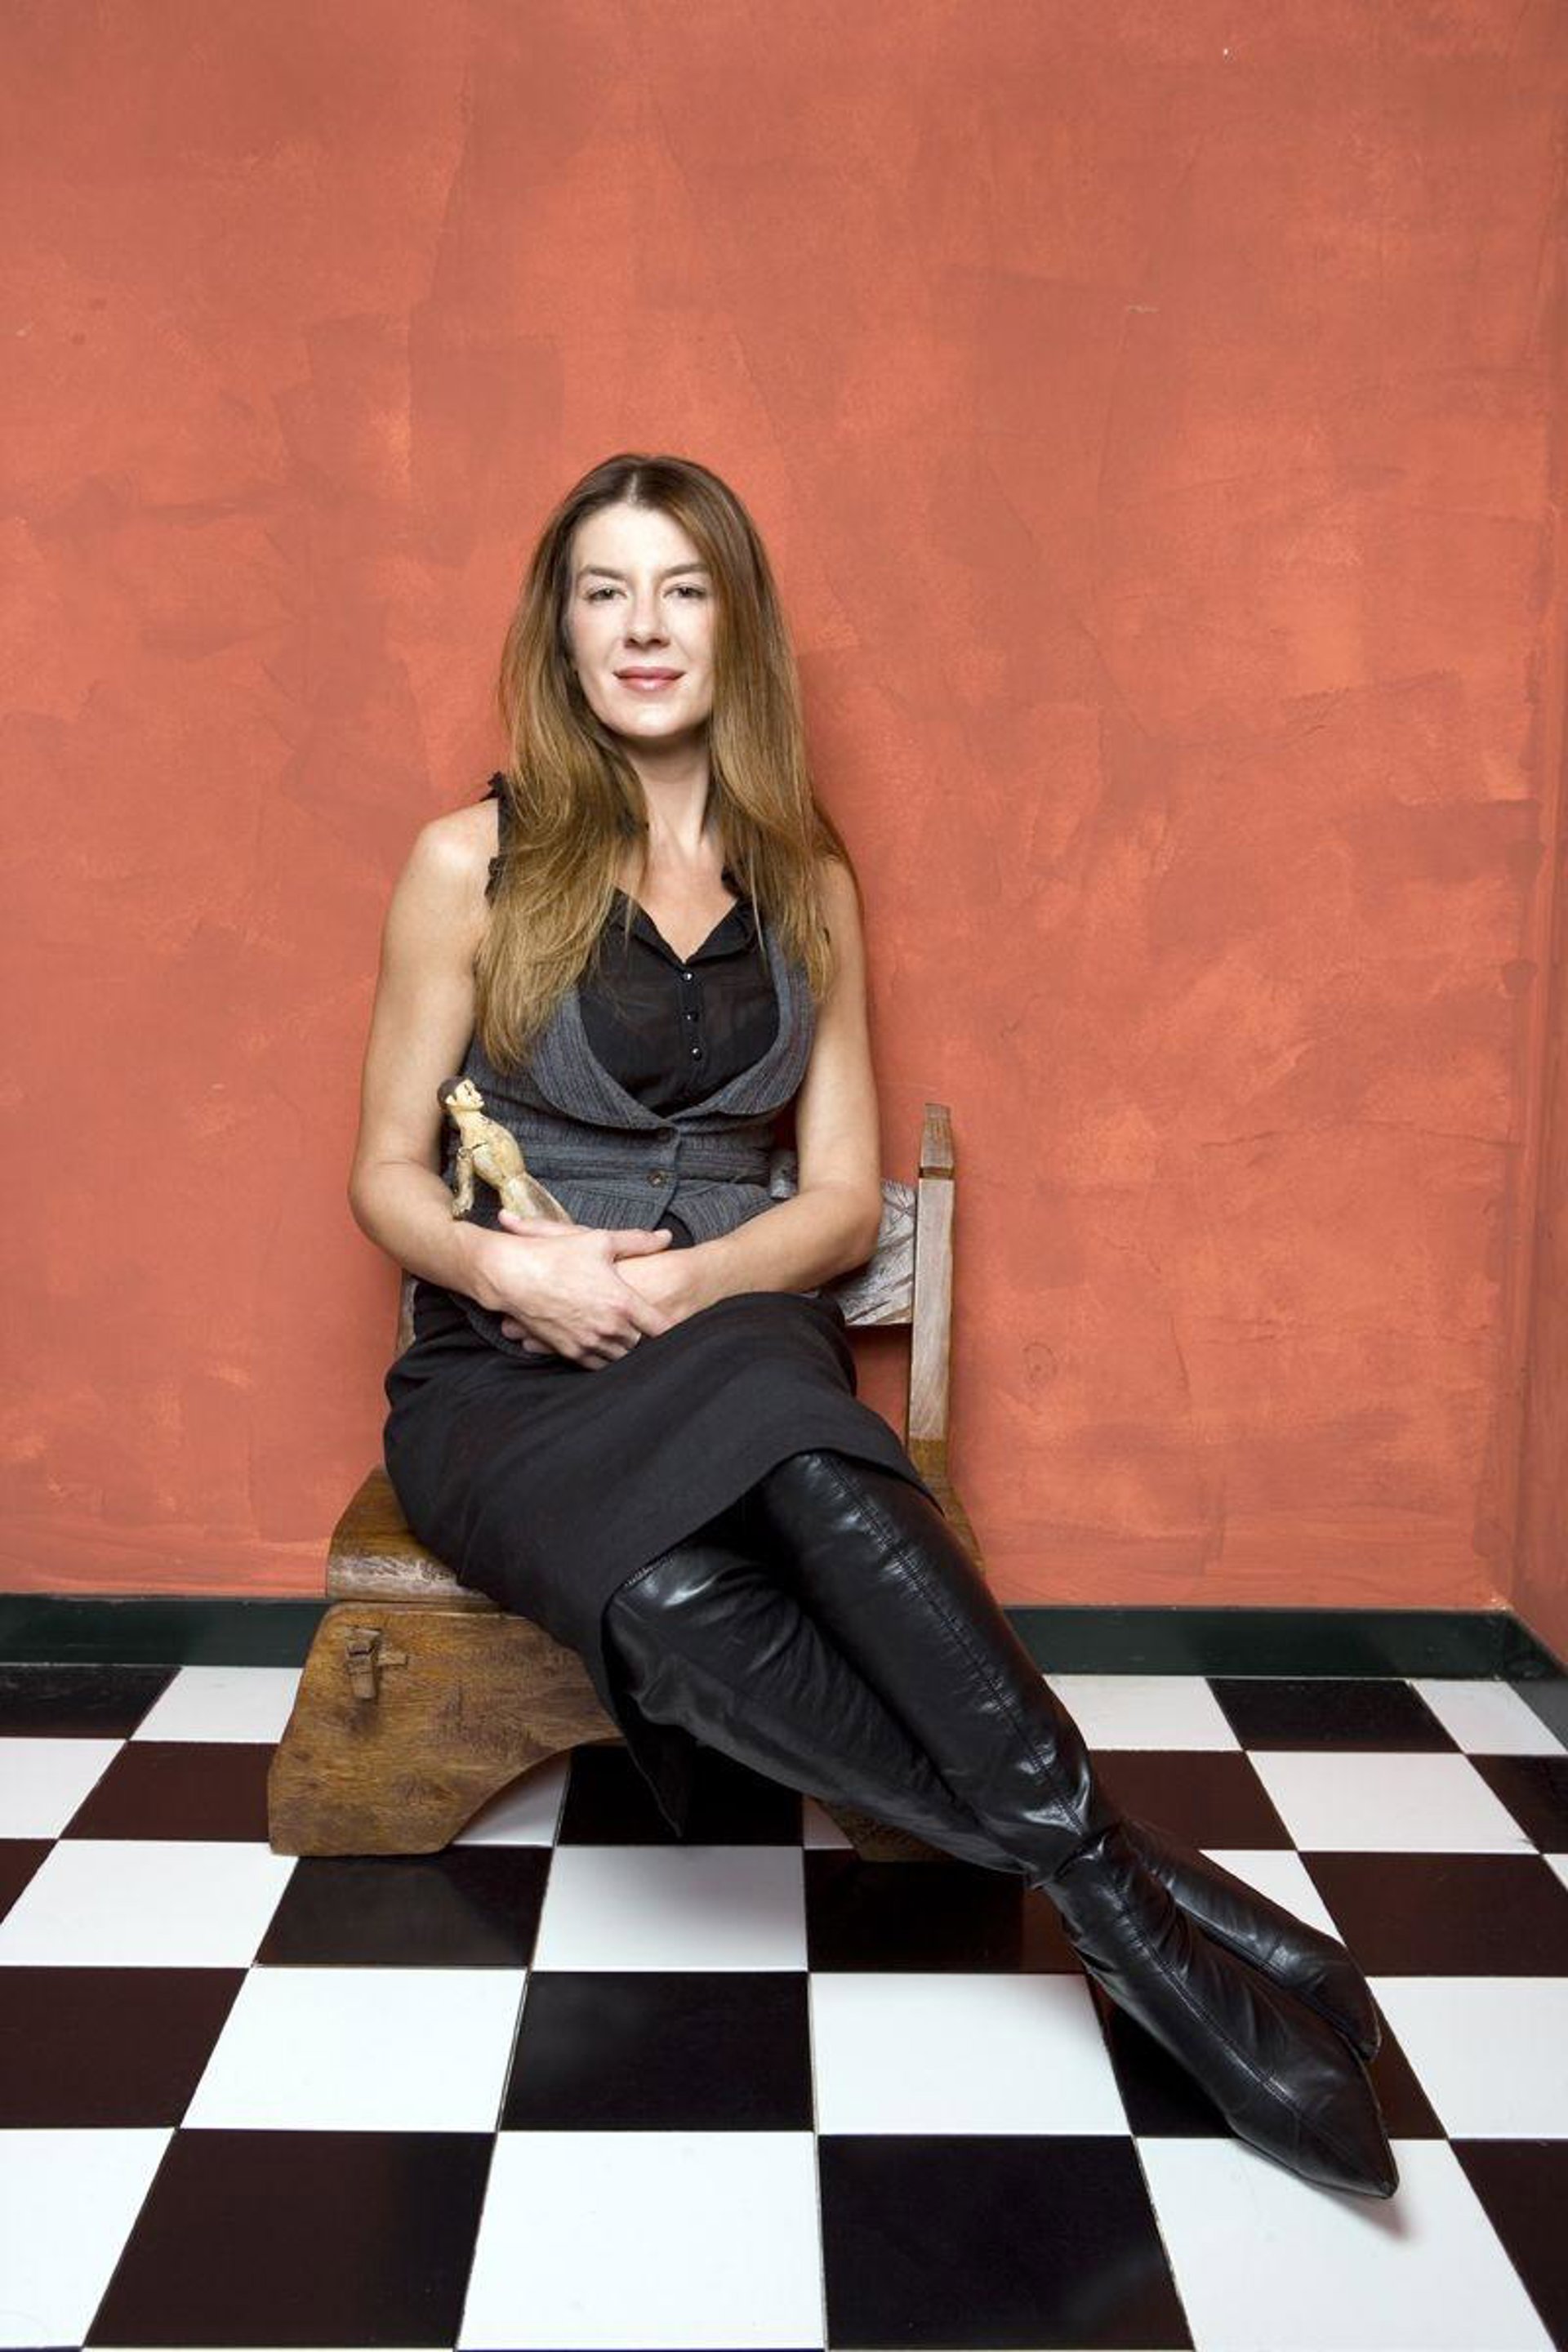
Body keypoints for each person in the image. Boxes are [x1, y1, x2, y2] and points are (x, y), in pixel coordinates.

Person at [347, 451, 1397, 2200]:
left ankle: (1135, 1942)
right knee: (658, 1602)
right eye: (605, 592)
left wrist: (678, 1284)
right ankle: (1155, 1901)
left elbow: (838, 1201)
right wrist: (515, 1274)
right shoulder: (470, 862)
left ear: (735, 626)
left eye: (681, 589)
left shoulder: (808, 876)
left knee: (811, 1461)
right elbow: (385, 1173)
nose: (643, 628)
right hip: (506, 1373)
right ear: (561, 634)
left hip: (731, 1320)